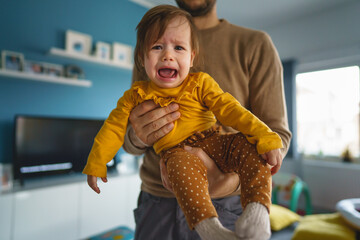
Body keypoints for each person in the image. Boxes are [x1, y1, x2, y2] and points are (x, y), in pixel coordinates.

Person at [83, 4, 284, 240]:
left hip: (219, 162)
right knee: (178, 165)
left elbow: (231, 110)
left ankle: (258, 209)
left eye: (178, 48)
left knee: (248, 146)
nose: (168, 55)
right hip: (165, 181)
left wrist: (267, 137)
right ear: (142, 59)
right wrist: (99, 161)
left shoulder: (202, 82)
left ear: (191, 57)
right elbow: (115, 129)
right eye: (157, 47)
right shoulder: (136, 95)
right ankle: (210, 229)